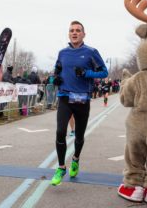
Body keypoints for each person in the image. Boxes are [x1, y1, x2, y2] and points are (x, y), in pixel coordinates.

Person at [50, 21, 108, 186]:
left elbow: (104, 72)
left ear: (83, 34)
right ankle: (61, 167)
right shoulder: (62, 53)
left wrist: (86, 73)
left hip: (82, 99)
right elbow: (57, 70)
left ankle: (75, 159)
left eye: (78, 30)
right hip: (65, 97)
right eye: (71, 31)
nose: (74, 33)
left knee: (80, 136)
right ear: (69, 34)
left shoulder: (91, 52)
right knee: (60, 131)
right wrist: (56, 78)